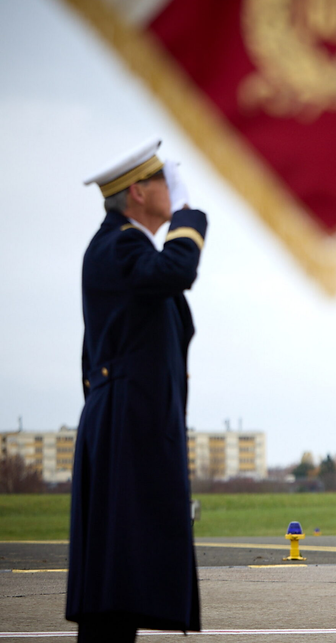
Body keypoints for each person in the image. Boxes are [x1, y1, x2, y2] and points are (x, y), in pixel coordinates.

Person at [66, 138, 207, 642]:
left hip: (129, 419)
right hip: (128, 423)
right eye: (164, 181)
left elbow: (94, 350)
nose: (173, 189)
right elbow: (178, 270)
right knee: (116, 568)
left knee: (121, 570)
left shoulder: (121, 247)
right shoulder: (120, 244)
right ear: (138, 193)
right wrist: (189, 217)